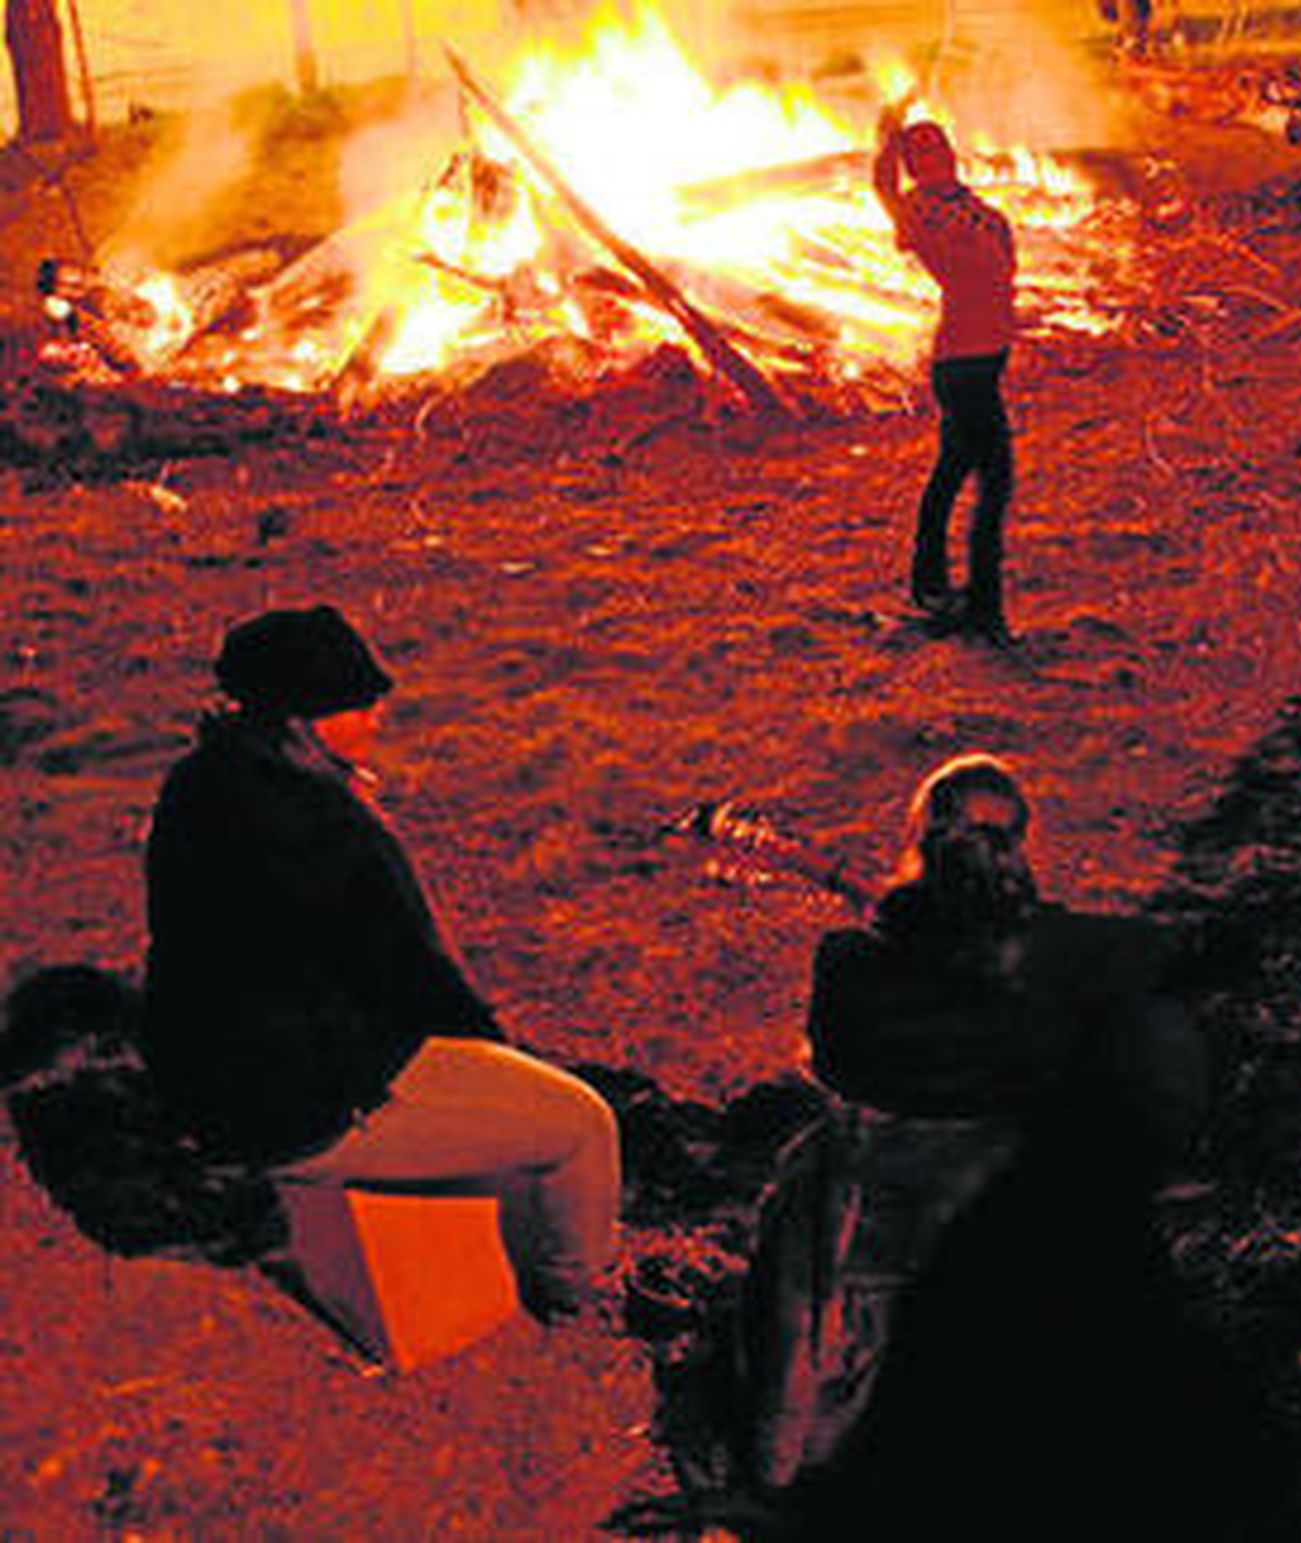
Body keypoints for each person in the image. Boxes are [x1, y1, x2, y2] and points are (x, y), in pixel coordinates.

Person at [724, 754, 1224, 1525]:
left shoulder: (848, 963)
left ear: (920, 843)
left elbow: (834, 1063)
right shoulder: (1078, 954)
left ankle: (788, 1434)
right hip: (1015, 1213)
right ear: (1018, 846)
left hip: (871, 1219)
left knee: (805, 1161)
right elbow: (1188, 950)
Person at [139, 604, 620, 1322]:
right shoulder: (330, 830)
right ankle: (577, 1301)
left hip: (202, 1082)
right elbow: (422, 983)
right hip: (297, 1109)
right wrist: (496, 1050)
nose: (375, 718)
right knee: (583, 1124)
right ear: (300, 720)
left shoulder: (196, 784)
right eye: (355, 706)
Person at [873, 114, 1018, 644]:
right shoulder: (918, 214)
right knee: (996, 480)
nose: (937, 152)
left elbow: (1005, 279)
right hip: (962, 366)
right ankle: (983, 607)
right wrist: (887, 137)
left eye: (941, 143)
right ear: (913, 166)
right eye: (923, 150)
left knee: (953, 470)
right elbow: (882, 186)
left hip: (986, 360)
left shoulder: (985, 212)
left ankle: (929, 582)